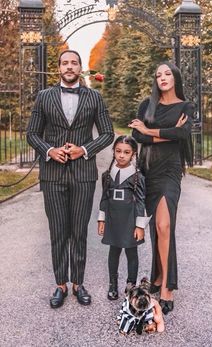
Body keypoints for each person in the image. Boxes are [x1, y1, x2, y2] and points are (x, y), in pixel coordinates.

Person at [27, 49, 114, 308]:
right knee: (58, 232)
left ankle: (78, 283)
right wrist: (49, 151)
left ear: (79, 67)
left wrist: (84, 149)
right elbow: (32, 134)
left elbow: (107, 133)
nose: (69, 67)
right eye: (65, 63)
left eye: (74, 63)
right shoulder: (44, 97)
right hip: (52, 175)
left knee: (78, 232)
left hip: (83, 174)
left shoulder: (94, 97)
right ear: (59, 68)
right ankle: (60, 285)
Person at [128, 61, 194, 315]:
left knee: (165, 226)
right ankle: (157, 277)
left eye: (167, 73)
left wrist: (150, 129)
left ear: (175, 77)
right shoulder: (148, 104)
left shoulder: (186, 106)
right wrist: (167, 131)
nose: (162, 78)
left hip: (169, 171)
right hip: (149, 171)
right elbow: (138, 136)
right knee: (156, 227)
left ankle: (167, 286)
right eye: (158, 75)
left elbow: (183, 135)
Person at [97, 135, 150, 300]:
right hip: (113, 220)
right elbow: (104, 198)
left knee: (131, 253)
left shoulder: (137, 177)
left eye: (126, 152)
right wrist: (101, 219)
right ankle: (113, 284)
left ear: (133, 154)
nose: (121, 155)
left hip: (130, 221)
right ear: (113, 151)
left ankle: (131, 285)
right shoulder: (107, 175)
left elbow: (141, 201)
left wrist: (140, 226)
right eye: (118, 151)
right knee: (113, 252)